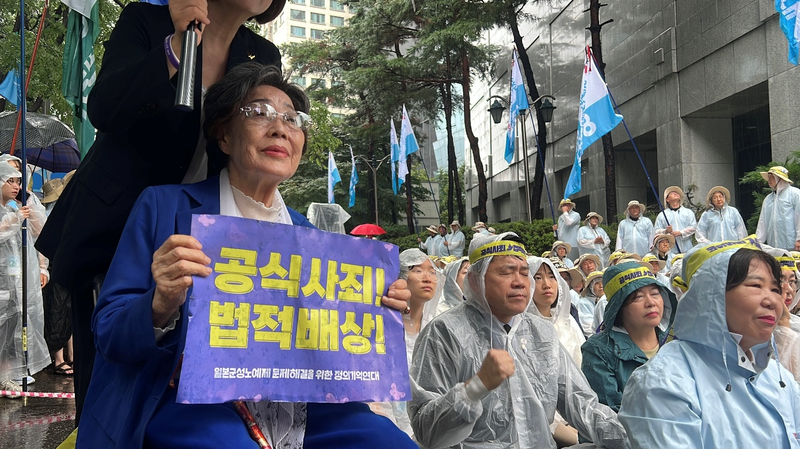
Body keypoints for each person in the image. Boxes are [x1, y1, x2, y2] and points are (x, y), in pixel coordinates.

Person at [76, 64, 416, 449]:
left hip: (304, 406)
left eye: (292, 119)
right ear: (222, 135)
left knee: (388, 441)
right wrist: (159, 304)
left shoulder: (319, 243)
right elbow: (108, 330)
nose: (279, 128)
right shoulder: (164, 208)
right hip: (191, 400)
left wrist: (376, 313)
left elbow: (334, 358)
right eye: (259, 113)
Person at [36, 0, 290, 422]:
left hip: (202, 237)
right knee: (108, 371)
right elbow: (105, 108)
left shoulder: (262, 55)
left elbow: (253, 145)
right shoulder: (146, 20)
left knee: (178, 373)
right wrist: (176, 45)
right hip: (113, 227)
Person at [409, 232, 626, 449]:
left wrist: (631, 439)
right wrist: (475, 388)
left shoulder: (541, 333)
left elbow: (581, 403)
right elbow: (426, 431)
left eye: (524, 273)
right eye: (506, 272)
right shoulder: (444, 333)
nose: (519, 283)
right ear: (475, 280)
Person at [619, 238, 800, 447]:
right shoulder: (663, 383)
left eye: (775, 289)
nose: (772, 301)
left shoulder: (776, 375)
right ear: (711, 295)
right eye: (756, 285)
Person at [581, 262, 677, 412]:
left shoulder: (674, 341)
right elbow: (609, 416)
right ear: (618, 306)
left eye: (655, 293)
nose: (651, 303)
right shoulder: (599, 351)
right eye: (638, 297)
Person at [371, 249, 443, 438]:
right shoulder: (384, 329)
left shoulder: (437, 329)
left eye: (432, 271)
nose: (427, 277)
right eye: (417, 270)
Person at [0, 163, 51, 396]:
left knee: (12, 327)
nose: (16, 186)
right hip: (3, 281)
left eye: (18, 181)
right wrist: (14, 220)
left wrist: (27, 208)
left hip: (14, 281)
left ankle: (9, 373)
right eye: (10, 180)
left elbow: (39, 233)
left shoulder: (15, 207)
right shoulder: (9, 214)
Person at [40, 178, 74, 377]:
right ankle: (59, 358)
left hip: (61, 267)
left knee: (65, 312)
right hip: (55, 269)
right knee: (57, 312)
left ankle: (68, 356)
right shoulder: (50, 215)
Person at [528, 257, 586, 364]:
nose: (547, 285)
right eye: (537, 278)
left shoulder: (568, 321)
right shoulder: (522, 328)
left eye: (551, 277)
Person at [756, 166, 800, 251]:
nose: (768, 180)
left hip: (793, 246)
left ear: (779, 178)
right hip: (774, 247)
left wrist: (799, 239)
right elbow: (763, 222)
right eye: (768, 177)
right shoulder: (768, 199)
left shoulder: (795, 194)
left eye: (771, 177)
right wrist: (758, 242)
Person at [653, 186, 696, 254]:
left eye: (677, 193)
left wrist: (680, 233)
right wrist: (666, 231)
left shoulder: (688, 212)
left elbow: (693, 227)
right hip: (670, 252)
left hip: (688, 250)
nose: (676, 193)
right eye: (672, 193)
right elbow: (656, 231)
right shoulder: (662, 215)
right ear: (667, 199)